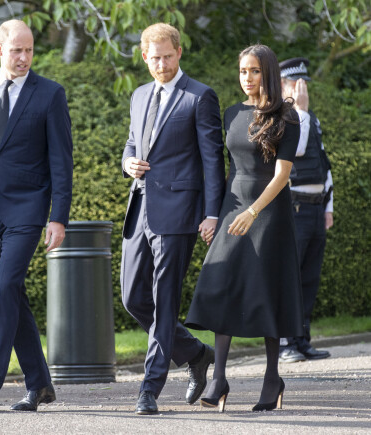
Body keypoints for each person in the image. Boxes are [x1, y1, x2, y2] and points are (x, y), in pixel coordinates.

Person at [0, 20, 73, 413]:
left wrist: (58, 218)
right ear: (0, 50)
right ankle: (39, 384)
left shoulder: (50, 94)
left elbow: (61, 162)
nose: (24, 58)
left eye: (29, 50)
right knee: (11, 293)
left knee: (4, 287)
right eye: (17, 50)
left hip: (28, 208)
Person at [185, 44, 304, 412]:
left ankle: (272, 379)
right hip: (233, 208)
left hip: (268, 213)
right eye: (242, 72)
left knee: (266, 291)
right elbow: (228, 169)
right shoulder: (232, 113)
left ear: (266, 72)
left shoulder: (288, 115)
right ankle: (219, 377)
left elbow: (282, 175)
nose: (246, 79)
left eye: (253, 71)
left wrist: (253, 211)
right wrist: (214, 215)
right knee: (222, 285)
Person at [121, 23, 226, 415]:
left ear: (179, 53)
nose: (161, 64)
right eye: (154, 57)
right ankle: (197, 354)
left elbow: (213, 161)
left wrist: (212, 212)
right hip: (140, 209)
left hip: (180, 213)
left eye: (167, 56)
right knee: (133, 297)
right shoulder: (138, 95)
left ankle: (149, 389)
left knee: (164, 302)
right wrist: (127, 162)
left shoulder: (199, 97)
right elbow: (132, 142)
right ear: (144, 57)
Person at [278, 57, 333, 363]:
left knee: (309, 278)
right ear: (283, 84)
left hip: (314, 209)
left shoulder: (311, 119)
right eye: (294, 83)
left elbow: (324, 165)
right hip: (293, 208)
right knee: (290, 277)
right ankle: (287, 342)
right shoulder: (285, 118)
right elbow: (296, 149)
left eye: (303, 84)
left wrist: (329, 206)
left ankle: (303, 340)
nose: (302, 89)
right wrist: (300, 111)